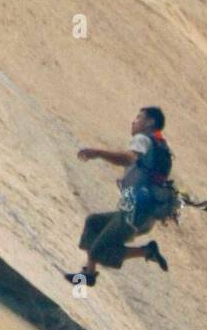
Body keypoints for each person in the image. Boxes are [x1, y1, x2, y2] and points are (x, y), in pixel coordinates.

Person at [65, 107, 176, 286]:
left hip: (135, 213)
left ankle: (146, 251)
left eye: (139, 117)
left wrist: (98, 153)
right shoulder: (160, 145)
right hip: (145, 214)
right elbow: (148, 173)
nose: (134, 121)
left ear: (150, 123)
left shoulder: (143, 139)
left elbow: (127, 158)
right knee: (94, 222)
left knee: (98, 251)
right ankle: (89, 274)